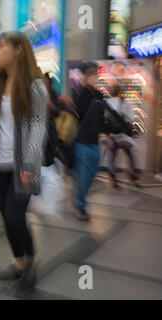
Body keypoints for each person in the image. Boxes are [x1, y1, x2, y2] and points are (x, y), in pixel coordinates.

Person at [0, 31, 49, 290]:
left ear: (18, 50)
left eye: (2, 46)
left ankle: (30, 262)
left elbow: (39, 127)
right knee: (6, 217)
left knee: (16, 217)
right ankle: (19, 264)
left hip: (24, 167)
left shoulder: (35, 86)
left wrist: (29, 165)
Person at [71, 61, 107, 221]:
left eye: (96, 72)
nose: (94, 76)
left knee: (92, 175)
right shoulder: (80, 95)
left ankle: (81, 199)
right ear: (84, 76)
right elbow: (78, 114)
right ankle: (80, 206)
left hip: (95, 142)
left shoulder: (100, 95)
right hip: (82, 143)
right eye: (90, 73)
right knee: (84, 176)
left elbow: (102, 120)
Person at [104, 84, 140, 188]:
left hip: (112, 135)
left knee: (112, 156)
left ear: (110, 92)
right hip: (122, 134)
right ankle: (132, 175)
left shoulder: (107, 102)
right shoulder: (124, 102)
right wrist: (132, 131)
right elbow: (129, 118)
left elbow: (105, 118)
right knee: (129, 155)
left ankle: (112, 177)